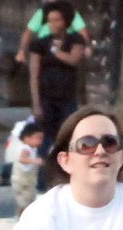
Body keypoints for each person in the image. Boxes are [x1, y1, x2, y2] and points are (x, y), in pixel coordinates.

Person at [26, 0, 86, 173]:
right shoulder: (40, 44)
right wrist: (36, 103)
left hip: (67, 97)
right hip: (47, 98)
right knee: (44, 140)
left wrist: (56, 52)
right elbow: (34, 74)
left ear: (65, 21)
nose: (53, 24)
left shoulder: (75, 40)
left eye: (57, 20)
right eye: (50, 20)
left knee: (68, 138)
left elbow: (74, 59)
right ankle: (43, 180)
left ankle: (69, 174)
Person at [6, 119, 42, 214]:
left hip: (26, 180)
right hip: (22, 180)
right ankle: (21, 217)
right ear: (27, 138)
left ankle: (21, 216)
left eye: (41, 139)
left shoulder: (31, 148)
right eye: (37, 138)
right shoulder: (25, 149)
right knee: (25, 201)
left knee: (27, 199)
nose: (39, 141)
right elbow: (22, 160)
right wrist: (35, 161)